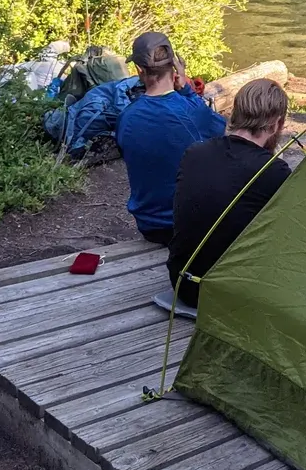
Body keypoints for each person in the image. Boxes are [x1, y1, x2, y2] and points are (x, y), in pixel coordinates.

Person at [166, 78, 292, 309]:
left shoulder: (194, 153)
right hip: (229, 294)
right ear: (275, 125)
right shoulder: (273, 171)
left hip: (183, 283)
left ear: (236, 114)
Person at [115, 32, 225, 244]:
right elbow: (221, 132)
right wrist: (186, 91)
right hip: (189, 224)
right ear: (174, 67)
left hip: (150, 227)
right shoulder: (193, 109)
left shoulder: (125, 118)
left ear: (139, 70)